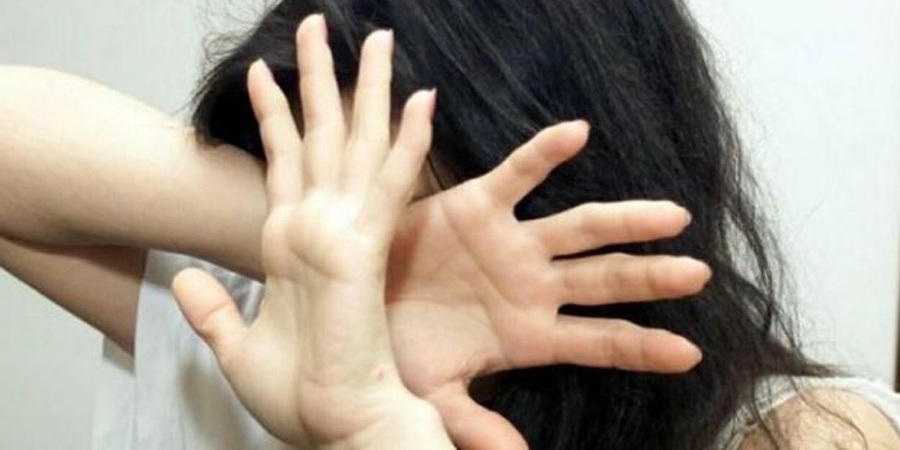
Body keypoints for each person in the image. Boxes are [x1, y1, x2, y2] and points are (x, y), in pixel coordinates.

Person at [0, 2, 897, 450]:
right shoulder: (260, 328)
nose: (341, 224)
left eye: (392, 184)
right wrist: (354, 249)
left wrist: (375, 426)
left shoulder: (805, 434)